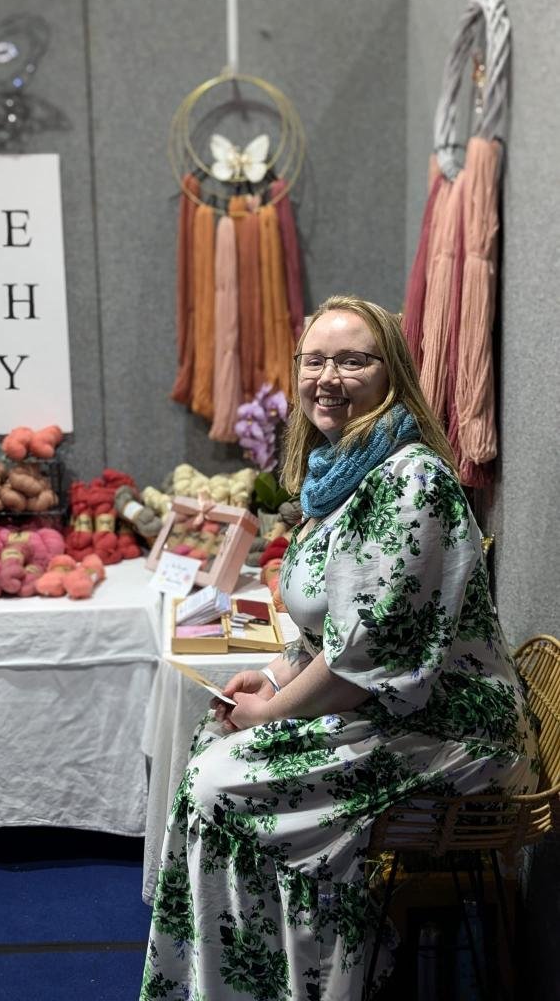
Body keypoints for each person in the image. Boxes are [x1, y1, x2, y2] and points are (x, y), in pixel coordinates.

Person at [140, 296, 538, 1001]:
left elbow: (365, 659)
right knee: (210, 744)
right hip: (390, 702)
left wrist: (271, 716)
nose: (329, 376)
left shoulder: (409, 481)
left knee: (219, 785)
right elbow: (330, 636)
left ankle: (300, 982)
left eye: (353, 360)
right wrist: (269, 678)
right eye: (315, 360)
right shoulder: (343, 475)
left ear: (392, 376)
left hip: (447, 724)